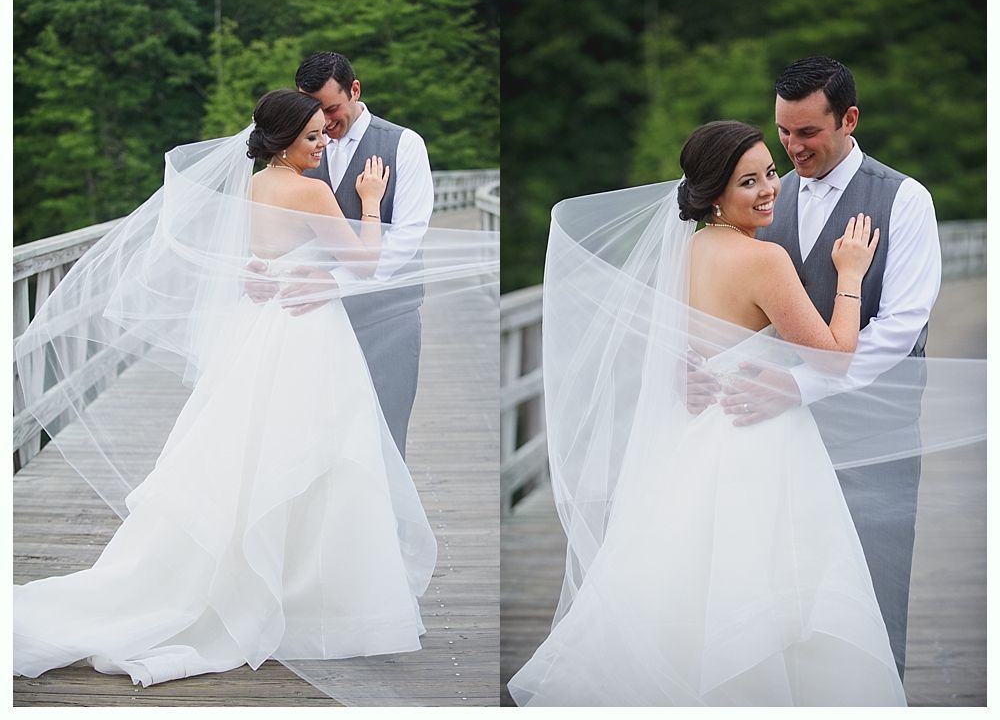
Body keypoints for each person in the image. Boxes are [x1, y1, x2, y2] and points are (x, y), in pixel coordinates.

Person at [507, 119, 982, 706]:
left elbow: (681, 352)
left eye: (768, 173)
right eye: (749, 181)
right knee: (779, 585)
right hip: (762, 436)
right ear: (712, 195)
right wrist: (851, 275)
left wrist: (690, 375)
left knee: (697, 582)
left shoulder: (686, 252)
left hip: (700, 435)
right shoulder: (765, 261)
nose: (768, 189)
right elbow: (833, 359)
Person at [13, 90, 440, 687]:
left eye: (325, 134)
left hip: (264, 325)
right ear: (286, 141)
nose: (325, 145)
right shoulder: (312, 189)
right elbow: (367, 263)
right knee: (319, 452)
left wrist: (263, 272)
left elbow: (257, 256)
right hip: (308, 329)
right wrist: (369, 203)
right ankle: (305, 598)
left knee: (255, 449)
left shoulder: (258, 184)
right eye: (314, 137)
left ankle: (272, 582)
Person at [713, 57, 941, 678]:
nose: (793, 147)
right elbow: (741, 308)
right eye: (784, 132)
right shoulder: (769, 197)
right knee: (786, 590)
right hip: (778, 436)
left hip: (874, 433)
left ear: (849, 119)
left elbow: (900, 325)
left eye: (808, 133)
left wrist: (799, 384)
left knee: (873, 585)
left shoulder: (905, 200)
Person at [255, 51, 434, 459]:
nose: (324, 122)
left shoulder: (403, 145)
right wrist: (258, 268)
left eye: (332, 108)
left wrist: (337, 283)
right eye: (314, 111)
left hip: (385, 320)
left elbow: (407, 238)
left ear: (354, 90)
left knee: (383, 441)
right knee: (316, 444)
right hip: (310, 324)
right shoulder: (297, 153)